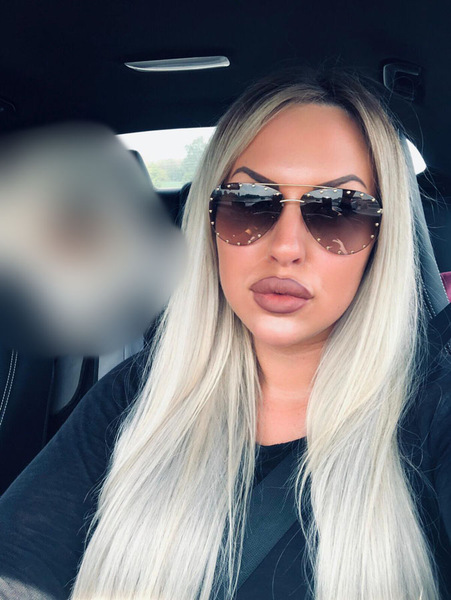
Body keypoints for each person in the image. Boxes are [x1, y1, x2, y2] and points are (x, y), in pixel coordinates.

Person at [0, 68, 450, 600]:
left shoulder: (432, 411)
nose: (286, 247)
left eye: (338, 210)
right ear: (210, 224)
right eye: (250, 202)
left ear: (382, 241)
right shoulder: (136, 396)